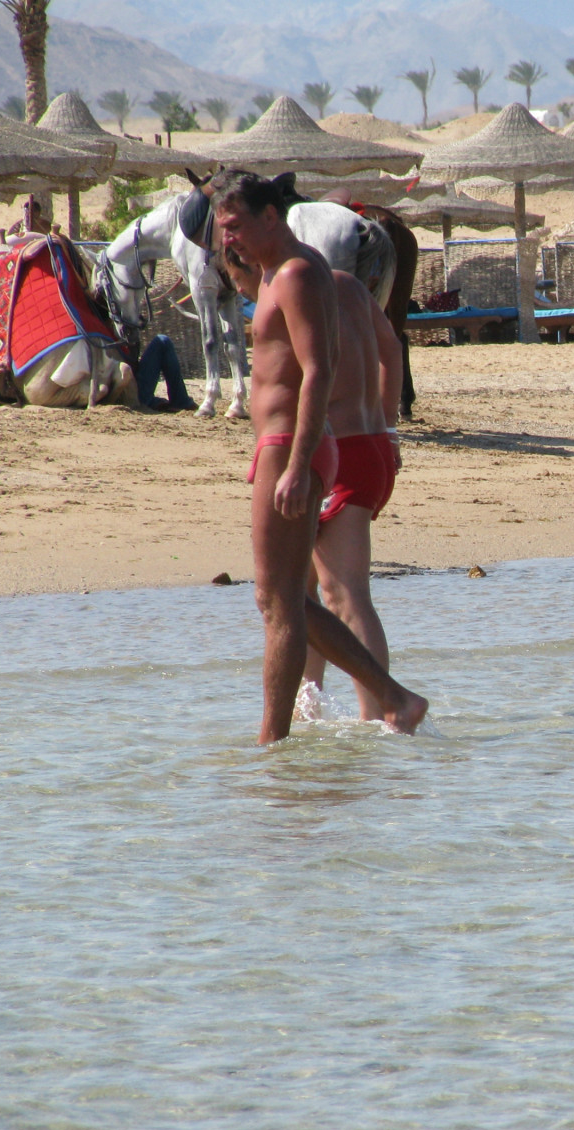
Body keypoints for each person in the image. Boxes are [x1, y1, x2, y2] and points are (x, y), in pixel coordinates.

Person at [208, 168, 427, 744]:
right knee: (285, 599)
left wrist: (302, 464)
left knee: (297, 600)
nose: (227, 237)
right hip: (297, 445)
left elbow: (317, 372)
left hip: (295, 447)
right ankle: (369, 702)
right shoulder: (287, 275)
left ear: (272, 216)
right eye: (220, 228)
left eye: (234, 226)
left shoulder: (301, 273)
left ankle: (278, 742)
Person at [223, 243, 405, 721]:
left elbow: (308, 375)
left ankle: (380, 717)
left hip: (338, 450)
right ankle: (309, 711)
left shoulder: (298, 295)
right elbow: (391, 346)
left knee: (343, 595)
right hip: (372, 446)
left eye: (238, 283)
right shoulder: (347, 285)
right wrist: (388, 425)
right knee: (300, 595)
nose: (245, 292)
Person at [131, 334, 194, 412]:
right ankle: (181, 401)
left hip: (132, 390)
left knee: (162, 341)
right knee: (162, 342)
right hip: (131, 395)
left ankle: (179, 401)